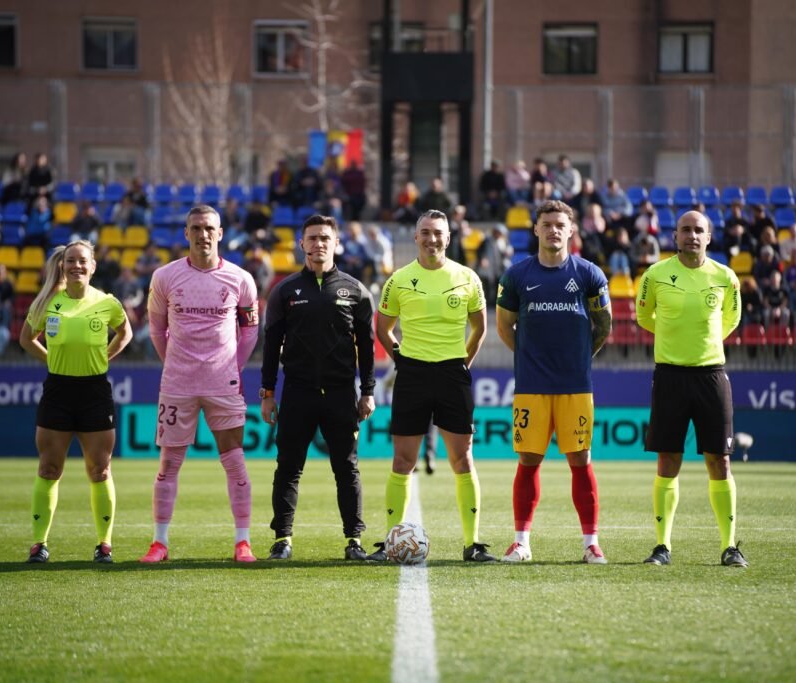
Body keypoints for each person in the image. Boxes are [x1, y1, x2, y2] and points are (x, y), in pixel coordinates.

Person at [369, 209, 494, 562]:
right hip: (412, 375)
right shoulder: (399, 279)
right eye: (425, 232)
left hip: (453, 374)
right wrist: (401, 359)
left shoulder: (467, 277)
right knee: (402, 460)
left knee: (462, 458)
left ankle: (472, 544)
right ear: (416, 237)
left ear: (448, 238)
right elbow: (383, 328)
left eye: (438, 232)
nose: (432, 239)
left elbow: (480, 328)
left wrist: (463, 364)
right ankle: (392, 542)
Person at [139, 205, 261, 564]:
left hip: (223, 384)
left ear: (220, 233)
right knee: (168, 464)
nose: (203, 234)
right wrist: (174, 363)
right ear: (186, 233)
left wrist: (232, 366)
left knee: (235, 461)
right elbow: (157, 329)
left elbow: (251, 330)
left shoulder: (240, 279)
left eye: (209, 228)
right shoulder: (164, 277)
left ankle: (243, 542)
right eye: (196, 228)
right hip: (178, 384)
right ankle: (159, 543)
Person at [495, 199, 612, 564]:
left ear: (571, 230)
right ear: (536, 229)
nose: (553, 230)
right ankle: (521, 542)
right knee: (528, 460)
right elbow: (503, 326)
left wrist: (580, 359)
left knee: (581, 458)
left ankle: (591, 543)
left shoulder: (589, 273)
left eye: (560, 224)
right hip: (531, 385)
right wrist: (529, 358)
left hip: (575, 385)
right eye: (547, 224)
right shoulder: (517, 275)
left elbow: (604, 324)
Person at [259, 214, 376, 561]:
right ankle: (282, 539)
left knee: (347, 468)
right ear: (302, 244)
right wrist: (267, 394)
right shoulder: (285, 290)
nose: (318, 244)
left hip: (341, 395)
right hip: (297, 392)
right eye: (312, 238)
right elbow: (270, 346)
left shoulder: (355, 291)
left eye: (325, 238)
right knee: (289, 467)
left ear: (336, 243)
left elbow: (367, 347)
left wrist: (367, 391)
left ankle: (354, 541)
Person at [634, 210, 747, 567]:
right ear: (675, 235)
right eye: (686, 230)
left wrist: (706, 341)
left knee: (720, 461)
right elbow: (643, 315)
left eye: (699, 230)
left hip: (712, 374)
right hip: (669, 375)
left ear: (709, 237)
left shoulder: (725, 277)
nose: (692, 236)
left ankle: (730, 547)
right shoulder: (655, 275)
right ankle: (662, 547)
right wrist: (673, 337)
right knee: (668, 460)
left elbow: (731, 319)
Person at [18, 240, 133, 563]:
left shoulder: (107, 302)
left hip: (95, 392)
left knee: (100, 469)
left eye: (82, 261)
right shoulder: (47, 303)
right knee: (49, 467)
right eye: (70, 261)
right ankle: (39, 544)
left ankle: (104, 544)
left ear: (93, 266)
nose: (76, 266)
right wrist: (51, 360)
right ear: (62, 265)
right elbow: (27, 339)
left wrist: (104, 356)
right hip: (58, 391)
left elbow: (125, 333)